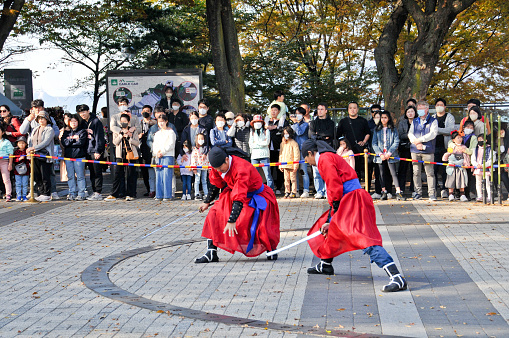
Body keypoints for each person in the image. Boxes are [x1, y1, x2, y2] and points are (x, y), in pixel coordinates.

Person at [301, 139, 407, 292]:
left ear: (310, 153)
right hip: (351, 199)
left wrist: (334, 215)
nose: (308, 162)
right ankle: (325, 264)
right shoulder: (329, 156)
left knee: (364, 238)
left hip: (352, 201)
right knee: (331, 229)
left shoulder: (324, 159)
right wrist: (332, 218)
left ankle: (396, 277)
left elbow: (334, 186)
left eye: (306, 159)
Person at [195, 146, 280, 263]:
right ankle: (211, 252)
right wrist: (207, 202)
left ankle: (271, 249)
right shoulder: (218, 166)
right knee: (214, 213)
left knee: (258, 224)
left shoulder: (241, 168)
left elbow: (239, 196)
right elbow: (216, 183)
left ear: (226, 160)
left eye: (220, 168)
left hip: (254, 195)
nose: (219, 171)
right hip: (234, 193)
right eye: (216, 169)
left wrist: (231, 220)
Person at [19, 100, 60, 200]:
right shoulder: (30, 119)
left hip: (45, 151)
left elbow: (56, 132)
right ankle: (34, 191)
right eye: (35, 108)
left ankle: (52, 192)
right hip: (33, 152)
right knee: (34, 172)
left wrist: (46, 131)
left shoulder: (49, 119)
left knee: (49, 172)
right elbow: (22, 131)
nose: (37, 110)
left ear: (43, 108)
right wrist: (28, 120)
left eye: (39, 107)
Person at [105, 114, 140, 201]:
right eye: (121, 121)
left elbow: (137, 143)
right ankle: (115, 193)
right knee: (118, 174)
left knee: (130, 174)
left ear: (128, 122)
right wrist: (121, 135)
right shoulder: (117, 131)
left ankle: (131, 194)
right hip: (120, 155)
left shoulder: (133, 131)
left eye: (125, 121)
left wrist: (130, 138)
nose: (123, 123)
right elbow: (115, 142)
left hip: (131, 155)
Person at [408, 101, 438, 200]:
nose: (419, 111)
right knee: (416, 172)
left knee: (430, 173)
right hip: (415, 150)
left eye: (422, 108)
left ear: (427, 109)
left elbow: (432, 134)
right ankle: (418, 193)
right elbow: (410, 133)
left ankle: (431, 193)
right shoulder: (415, 121)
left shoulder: (433, 120)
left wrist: (420, 140)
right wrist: (416, 142)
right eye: (418, 109)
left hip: (428, 150)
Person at [372, 111, 404, 200]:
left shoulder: (393, 129)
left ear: (388, 118)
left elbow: (396, 141)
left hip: (391, 154)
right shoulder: (377, 129)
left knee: (393, 173)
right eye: (382, 118)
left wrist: (389, 152)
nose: (383, 119)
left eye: (385, 117)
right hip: (380, 156)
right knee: (381, 174)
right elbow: (374, 143)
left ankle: (398, 192)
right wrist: (380, 153)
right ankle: (383, 192)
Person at [77, 105, 106, 201]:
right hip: (87, 150)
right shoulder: (83, 122)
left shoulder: (96, 121)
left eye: (84, 112)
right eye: (80, 113)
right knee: (92, 172)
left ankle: (98, 192)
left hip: (95, 150)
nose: (82, 114)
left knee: (97, 172)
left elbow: (100, 137)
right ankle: (94, 191)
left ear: (88, 111)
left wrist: (98, 151)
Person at [336, 101, 371, 180]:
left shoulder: (363, 121)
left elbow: (368, 133)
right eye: (350, 108)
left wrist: (364, 141)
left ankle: (364, 188)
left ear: (357, 109)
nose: (352, 110)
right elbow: (338, 136)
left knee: (362, 169)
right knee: (348, 170)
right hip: (347, 150)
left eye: (354, 108)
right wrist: (343, 145)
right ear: (348, 110)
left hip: (360, 148)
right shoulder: (343, 121)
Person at [26, 111, 55, 202]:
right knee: (36, 175)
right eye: (39, 118)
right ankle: (41, 191)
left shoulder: (49, 129)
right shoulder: (35, 129)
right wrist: (29, 149)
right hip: (34, 155)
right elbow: (30, 140)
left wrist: (34, 148)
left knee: (45, 175)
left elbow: (46, 142)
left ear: (47, 119)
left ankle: (46, 193)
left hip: (45, 155)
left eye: (43, 118)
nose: (41, 120)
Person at [309, 103, 335, 199]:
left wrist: (318, 135)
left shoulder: (331, 123)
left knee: (327, 172)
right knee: (316, 172)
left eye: (322, 109)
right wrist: (322, 137)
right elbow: (311, 135)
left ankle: (327, 191)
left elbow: (330, 134)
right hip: (316, 149)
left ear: (326, 111)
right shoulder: (313, 123)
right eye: (318, 109)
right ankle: (319, 191)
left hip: (327, 149)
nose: (320, 111)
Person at [60, 115, 88, 201]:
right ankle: (72, 193)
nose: (73, 123)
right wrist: (73, 139)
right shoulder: (66, 132)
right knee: (70, 176)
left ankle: (81, 193)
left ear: (78, 122)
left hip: (79, 156)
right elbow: (64, 143)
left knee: (80, 176)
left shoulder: (82, 131)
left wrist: (70, 141)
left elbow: (81, 143)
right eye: (71, 121)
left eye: (75, 121)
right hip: (68, 157)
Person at [433, 98, 455, 198]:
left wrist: (437, 130)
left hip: (446, 148)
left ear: (445, 107)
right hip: (434, 148)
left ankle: (444, 189)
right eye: (437, 105)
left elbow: (450, 130)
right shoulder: (432, 117)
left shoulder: (449, 117)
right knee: (433, 170)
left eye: (441, 104)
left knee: (446, 169)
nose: (439, 106)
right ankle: (434, 190)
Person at [152, 114, 176, 201]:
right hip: (158, 156)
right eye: (159, 122)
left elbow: (171, 144)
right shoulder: (157, 133)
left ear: (166, 121)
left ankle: (167, 195)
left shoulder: (171, 132)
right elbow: (155, 145)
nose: (161, 123)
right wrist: (157, 152)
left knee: (167, 175)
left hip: (168, 155)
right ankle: (159, 195)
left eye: (162, 121)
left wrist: (162, 152)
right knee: (159, 175)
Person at [266, 104, 289, 194]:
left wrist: (277, 127)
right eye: (272, 110)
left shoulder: (282, 122)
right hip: (268, 149)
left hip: (279, 148)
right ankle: (270, 187)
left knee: (280, 168)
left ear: (279, 112)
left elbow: (286, 130)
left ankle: (279, 187)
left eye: (275, 110)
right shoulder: (267, 121)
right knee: (269, 168)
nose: (273, 112)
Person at [443, 131, 471, 202]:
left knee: (461, 180)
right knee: (451, 181)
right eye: (458, 138)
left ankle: (462, 194)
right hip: (452, 167)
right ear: (453, 140)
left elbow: (467, 156)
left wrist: (463, 161)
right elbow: (446, 156)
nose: (460, 139)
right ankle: (451, 194)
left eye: (460, 138)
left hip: (460, 167)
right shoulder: (451, 146)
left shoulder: (463, 147)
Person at [249, 115, 274, 190]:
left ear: (262, 123)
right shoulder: (252, 132)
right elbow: (251, 144)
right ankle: (256, 189)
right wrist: (261, 143)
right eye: (255, 122)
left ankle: (270, 190)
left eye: (259, 122)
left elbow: (266, 142)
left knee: (268, 175)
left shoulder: (267, 131)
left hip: (265, 155)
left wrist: (256, 143)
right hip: (254, 156)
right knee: (254, 175)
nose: (257, 123)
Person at [397, 106, 416, 197]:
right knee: (402, 169)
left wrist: (409, 135)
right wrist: (411, 135)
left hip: (415, 147)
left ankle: (414, 189)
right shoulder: (402, 123)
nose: (410, 113)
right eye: (408, 112)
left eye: (412, 111)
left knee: (415, 169)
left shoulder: (418, 122)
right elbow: (401, 135)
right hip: (404, 148)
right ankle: (401, 188)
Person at [291, 107, 310, 198]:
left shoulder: (305, 124)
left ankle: (306, 189)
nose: (297, 115)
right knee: (295, 170)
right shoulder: (293, 125)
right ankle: (296, 189)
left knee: (303, 170)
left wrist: (295, 123)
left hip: (303, 150)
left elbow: (299, 132)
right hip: (294, 150)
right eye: (296, 113)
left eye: (299, 114)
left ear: (303, 115)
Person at [138, 105, 156, 197]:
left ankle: (155, 189)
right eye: (144, 111)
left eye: (148, 111)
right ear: (141, 112)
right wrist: (138, 136)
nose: (146, 112)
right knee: (145, 171)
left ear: (151, 113)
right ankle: (149, 189)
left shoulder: (154, 123)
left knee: (154, 170)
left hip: (152, 149)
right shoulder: (139, 124)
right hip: (142, 149)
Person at [471, 134, 493, 202]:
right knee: (478, 182)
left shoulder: (490, 149)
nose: (479, 141)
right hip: (478, 168)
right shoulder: (476, 149)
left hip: (486, 168)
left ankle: (489, 196)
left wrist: (484, 165)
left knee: (487, 183)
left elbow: (491, 159)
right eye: (479, 140)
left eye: (481, 140)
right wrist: (476, 164)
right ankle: (480, 196)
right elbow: (473, 159)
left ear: (485, 140)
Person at [279, 126, 300, 198]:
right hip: (284, 164)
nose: (286, 135)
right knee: (286, 179)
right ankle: (287, 191)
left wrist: (295, 165)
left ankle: (294, 191)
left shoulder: (294, 143)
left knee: (293, 179)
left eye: (287, 133)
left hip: (291, 164)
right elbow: (280, 155)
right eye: (284, 133)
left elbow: (296, 155)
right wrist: (280, 165)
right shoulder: (282, 143)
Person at [367, 106, 382, 198]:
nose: (375, 113)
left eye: (377, 111)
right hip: (369, 151)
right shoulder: (368, 123)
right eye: (373, 111)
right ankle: (367, 189)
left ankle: (379, 190)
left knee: (379, 172)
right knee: (368, 171)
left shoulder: (384, 124)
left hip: (380, 152)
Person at [191, 133, 210, 200]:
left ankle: (206, 193)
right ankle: (197, 194)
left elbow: (208, 158)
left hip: (205, 166)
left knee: (204, 180)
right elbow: (193, 158)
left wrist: (209, 167)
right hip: (198, 167)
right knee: (197, 180)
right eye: (199, 139)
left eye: (202, 138)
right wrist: (194, 167)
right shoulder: (195, 149)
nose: (201, 140)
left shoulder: (206, 149)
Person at [0, 124, 14, 201]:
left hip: (4, 161)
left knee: (6, 179)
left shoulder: (6, 142)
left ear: (3, 132)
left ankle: (8, 194)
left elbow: (11, 153)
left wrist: (10, 164)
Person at [13, 136, 29, 201]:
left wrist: (27, 157)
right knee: (18, 183)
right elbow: (14, 160)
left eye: (23, 143)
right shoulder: (16, 152)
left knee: (25, 183)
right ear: (17, 144)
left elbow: (30, 160)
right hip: (17, 170)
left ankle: (24, 195)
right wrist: (19, 158)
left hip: (26, 170)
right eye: (20, 143)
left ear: (25, 144)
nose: (21, 145)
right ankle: (18, 195)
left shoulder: (27, 151)